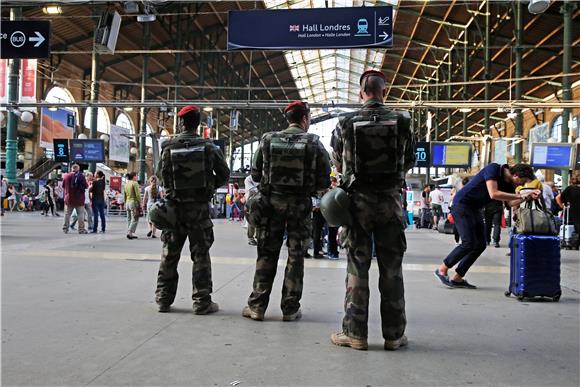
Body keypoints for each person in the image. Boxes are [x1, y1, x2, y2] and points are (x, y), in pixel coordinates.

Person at [329, 69, 416, 351]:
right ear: (384, 92)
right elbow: (410, 158)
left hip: (357, 206)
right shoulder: (402, 121)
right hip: (390, 203)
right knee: (392, 269)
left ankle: (355, 333)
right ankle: (393, 335)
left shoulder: (345, 122)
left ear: (361, 93)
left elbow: (339, 162)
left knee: (357, 267)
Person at [242, 100, 330, 322]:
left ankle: (257, 307)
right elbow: (324, 179)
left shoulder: (268, 140)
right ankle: (290, 309)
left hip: (270, 205)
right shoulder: (314, 143)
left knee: (266, 253)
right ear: (304, 119)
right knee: (296, 256)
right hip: (300, 207)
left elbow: (254, 174)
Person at [155, 105, 230, 314]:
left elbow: (160, 175)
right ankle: (201, 302)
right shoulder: (209, 147)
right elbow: (224, 174)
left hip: (174, 209)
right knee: (201, 256)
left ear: (181, 123)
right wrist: (207, 187)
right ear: (198, 124)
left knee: (169, 254)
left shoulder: (168, 147)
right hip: (199, 210)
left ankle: (163, 299)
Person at [435, 163, 540, 289]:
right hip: (462, 205)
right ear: (516, 175)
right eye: (523, 182)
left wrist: (526, 197)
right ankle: (442, 269)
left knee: (480, 244)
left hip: (475, 209)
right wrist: (521, 194)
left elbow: (511, 203)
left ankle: (457, 277)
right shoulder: (494, 169)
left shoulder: (510, 184)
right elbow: (493, 193)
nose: (522, 185)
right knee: (468, 243)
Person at [62, 164, 88, 234]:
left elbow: (63, 186)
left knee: (67, 214)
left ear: (72, 168)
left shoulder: (66, 176)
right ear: (78, 169)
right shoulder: (81, 176)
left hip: (69, 198)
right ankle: (81, 229)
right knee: (80, 214)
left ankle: (65, 229)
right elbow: (86, 186)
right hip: (79, 199)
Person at [556, 173, 580, 241]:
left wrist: (563, 207)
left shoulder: (570, 189)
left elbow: (558, 198)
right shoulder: (570, 189)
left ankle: (572, 240)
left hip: (571, 212)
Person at [123, 172, 141, 239]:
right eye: (136, 176)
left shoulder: (126, 184)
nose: (137, 177)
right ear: (134, 176)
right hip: (133, 202)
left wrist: (125, 203)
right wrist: (141, 203)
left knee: (129, 218)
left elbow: (124, 195)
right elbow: (138, 195)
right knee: (135, 218)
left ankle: (130, 234)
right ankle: (129, 232)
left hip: (127, 202)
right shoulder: (135, 183)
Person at [244, 174, 259, 246]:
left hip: (262, 201)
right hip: (251, 203)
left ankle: (259, 236)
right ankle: (251, 238)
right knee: (252, 220)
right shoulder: (248, 179)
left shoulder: (265, 176)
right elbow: (252, 190)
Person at [327, 176, 340, 260]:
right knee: (331, 235)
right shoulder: (329, 191)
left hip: (336, 216)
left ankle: (334, 251)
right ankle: (331, 252)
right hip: (331, 217)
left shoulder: (337, 191)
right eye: (332, 182)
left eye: (334, 182)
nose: (334, 183)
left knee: (335, 235)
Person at [311, 193, 327, 259]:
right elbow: (314, 208)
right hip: (316, 215)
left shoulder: (322, 194)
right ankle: (316, 253)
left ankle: (318, 250)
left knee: (318, 233)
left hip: (320, 215)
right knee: (316, 234)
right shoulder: (314, 195)